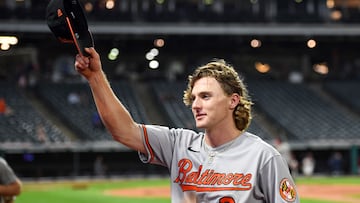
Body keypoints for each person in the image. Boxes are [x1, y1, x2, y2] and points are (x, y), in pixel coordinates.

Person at [75, 47, 299, 203]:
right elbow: (124, 131)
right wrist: (95, 77)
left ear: (233, 100)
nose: (196, 105)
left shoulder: (263, 157)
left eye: (206, 96)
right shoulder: (178, 144)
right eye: (194, 98)